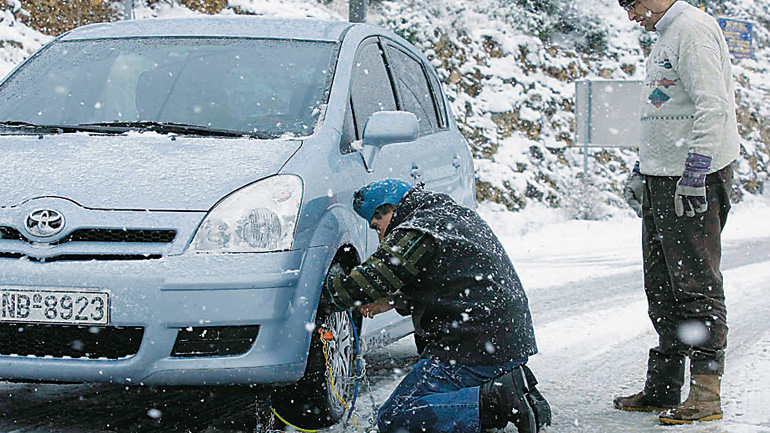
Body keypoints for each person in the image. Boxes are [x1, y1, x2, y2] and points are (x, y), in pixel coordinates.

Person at [323, 179, 551, 433]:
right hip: (504, 341)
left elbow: (372, 278)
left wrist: (323, 294)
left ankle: (496, 399)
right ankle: (512, 387)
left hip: (470, 346)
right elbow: (452, 281)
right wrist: (394, 300)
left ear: (388, 209)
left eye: (377, 227)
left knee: (395, 418)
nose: (380, 237)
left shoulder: (417, 229)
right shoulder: (449, 215)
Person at [615, 0, 740, 425]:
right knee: (663, 284)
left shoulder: (692, 30)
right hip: (661, 176)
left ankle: (705, 392)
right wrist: (642, 167)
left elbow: (713, 105)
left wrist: (697, 171)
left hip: (690, 177)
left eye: (631, 4)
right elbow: (664, 110)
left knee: (695, 282)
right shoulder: (667, 34)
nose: (630, 15)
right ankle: (664, 385)